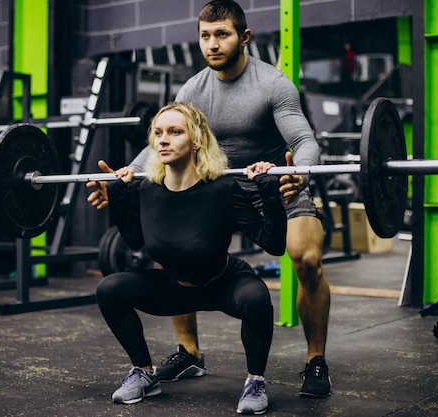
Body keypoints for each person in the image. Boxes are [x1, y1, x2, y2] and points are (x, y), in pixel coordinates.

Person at [88, 0, 332, 399]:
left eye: (222, 34)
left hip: (272, 184)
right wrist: (124, 177)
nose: (213, 44)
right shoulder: (193, 89)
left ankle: (315, 359)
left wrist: (296, 174)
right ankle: (189, 352)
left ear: (244, 37)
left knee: (305, 257)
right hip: (215, 187)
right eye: (205, 36)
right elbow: (161, 145)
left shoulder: (273, 84)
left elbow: (304, 140)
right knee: (175, 247)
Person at [92, 101, 287, 414]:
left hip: (223, 283)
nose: (163, 140)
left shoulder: (223, 189)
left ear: (196, 140)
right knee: (109, 288)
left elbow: (273, 245)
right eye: (157, 133)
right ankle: (144, 372)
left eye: (174, 132)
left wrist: (269, 193)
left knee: (256, 296)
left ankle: (255, 381)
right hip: (175, 288)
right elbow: (134, 240)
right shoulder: (148, 190)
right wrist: (118, 196)